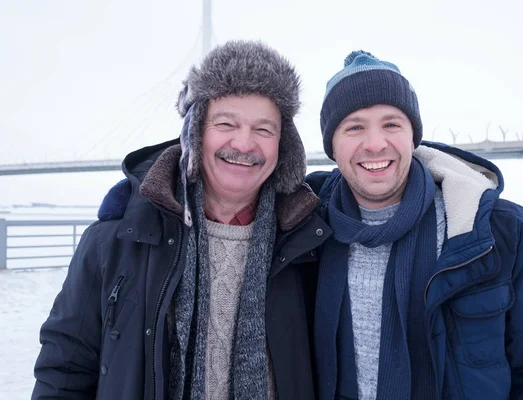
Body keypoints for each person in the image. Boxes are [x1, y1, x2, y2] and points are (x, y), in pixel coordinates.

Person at [32, 40, 330, 400]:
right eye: (226, 123)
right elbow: (64, 371)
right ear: (196, 133)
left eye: (264, 129)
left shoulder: (307, 242)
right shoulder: (116, 240)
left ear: (284, 146)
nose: (244, 142)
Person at [307, 50, 523, 399]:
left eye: (392, 124)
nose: (375, 144)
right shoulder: (305, 233)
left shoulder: (501, 233)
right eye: (354, 127)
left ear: (413, 136)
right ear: (332, 143)